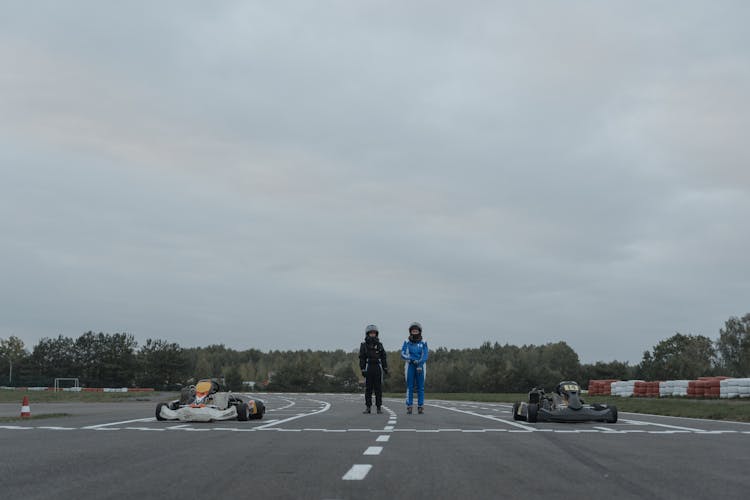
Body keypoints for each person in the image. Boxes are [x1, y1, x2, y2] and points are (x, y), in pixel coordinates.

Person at [359, 324, 388, 414]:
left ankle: (379, 407)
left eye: (374, 333)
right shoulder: (363, 345)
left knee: (378, 388)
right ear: (367, 334)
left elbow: (383, 357)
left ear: (376, 334)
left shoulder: (379, 345)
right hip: (369, 366)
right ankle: (368, 407)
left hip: (377, 367)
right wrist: (363, 369)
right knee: (368, 389)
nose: (372, 334)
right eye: (371, 333)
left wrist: (385, 367)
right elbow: (362, 358)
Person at [401, 322, 428, 414]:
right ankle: (409, 405)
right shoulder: (406, 341)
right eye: (413, 331)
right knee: (410, 386)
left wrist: (420, 362)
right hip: (410, 365)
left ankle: (420, 406)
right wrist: (411, 359)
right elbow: (403, 353)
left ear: (419, 332)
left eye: (416, 331)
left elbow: (425, 354)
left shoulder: (423, 342)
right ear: (410, 332)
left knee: (421, 387)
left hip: (420, 366)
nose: (415, 332)